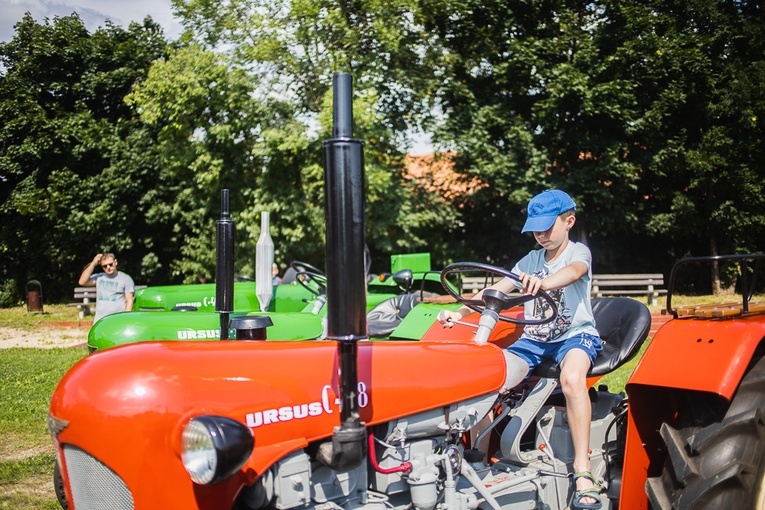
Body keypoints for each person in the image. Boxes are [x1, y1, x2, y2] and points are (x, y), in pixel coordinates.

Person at [438, 189, 603, 510]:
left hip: (575, 336)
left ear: (569, 221)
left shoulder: (577, 252)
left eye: (547, 227)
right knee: (489, 378)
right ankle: (480, 456)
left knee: (571, 378)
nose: (540, 235)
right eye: (535, 229)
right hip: (535, 340)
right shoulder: (529, 260)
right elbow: (496, 290)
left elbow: (575, 273)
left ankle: (583, 470)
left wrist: (544, 283)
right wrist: (458, 312)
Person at [78, 252, 135, 322]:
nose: (108, 267)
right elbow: (82, 282)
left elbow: (129, 300)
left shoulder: (126, 279)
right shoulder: (99, 277)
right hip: (100, 320)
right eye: (105, 266)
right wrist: (93, 263)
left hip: (118, 320)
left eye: (110, 264)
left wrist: (126, 319)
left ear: (115, 262)